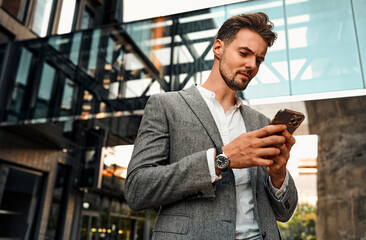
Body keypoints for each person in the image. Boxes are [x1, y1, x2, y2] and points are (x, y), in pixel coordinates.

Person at [125, 12, 298, 240]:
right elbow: (138, 190)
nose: (251, 65)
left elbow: (284, 213)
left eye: (259, 59)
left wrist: (279, 173)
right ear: (218, 48)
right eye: (244, 53)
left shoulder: (261, 123)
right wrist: (221, 159)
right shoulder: (166, 106)